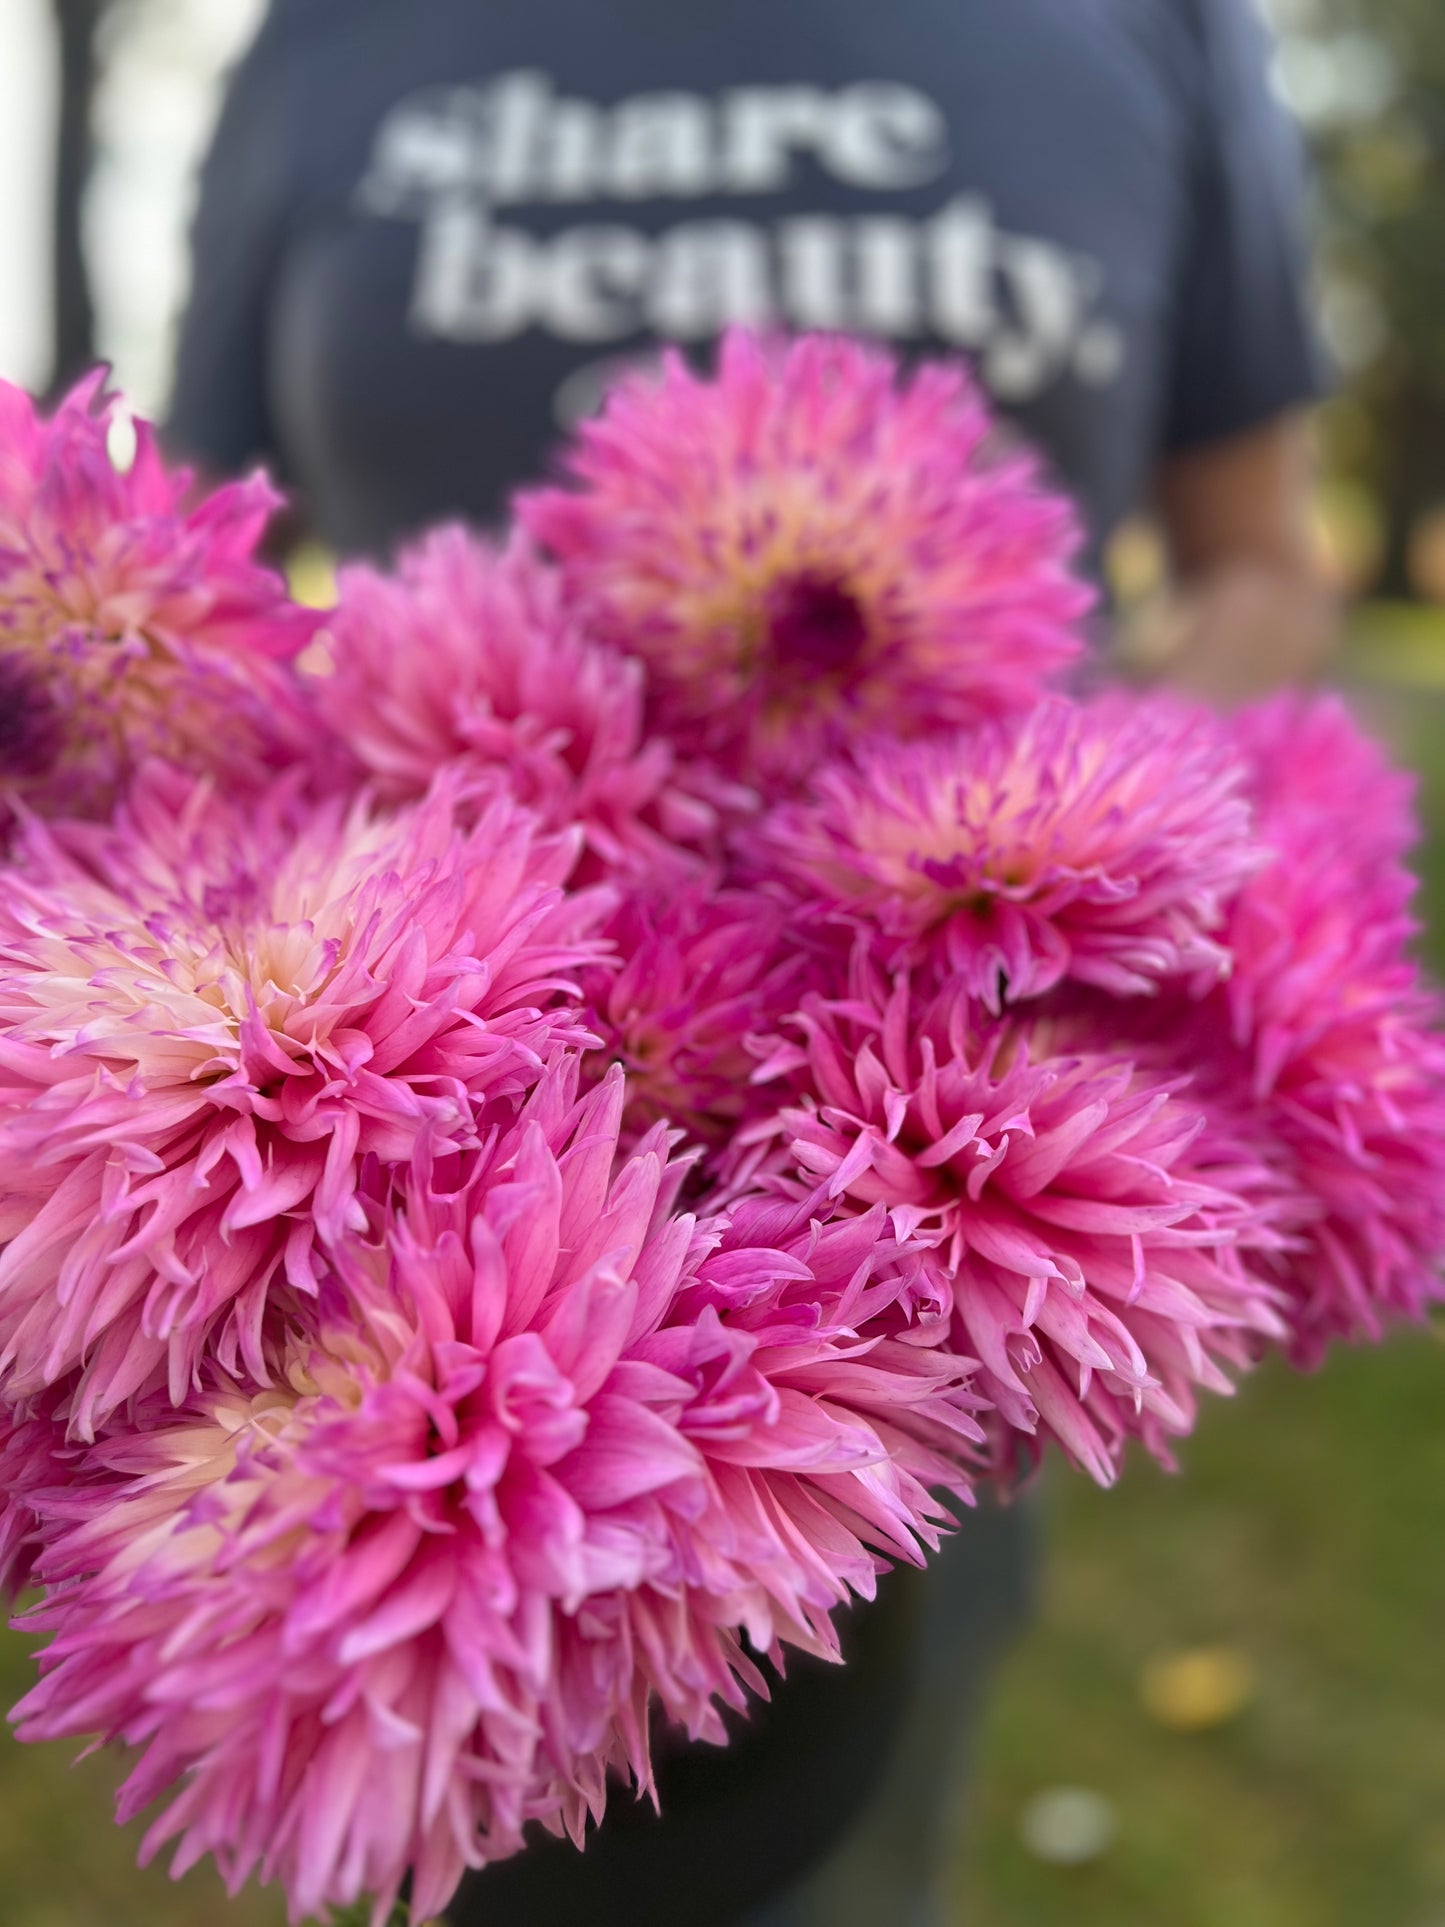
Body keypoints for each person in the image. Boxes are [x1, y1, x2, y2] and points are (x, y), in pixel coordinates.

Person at [165, 3, 1335, 1920]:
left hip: (923, 1232)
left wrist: (1110, 844)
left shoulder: (1155, 25)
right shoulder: (328, 39)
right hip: (366, 1194)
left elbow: (1264, 561)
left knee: (841, 1852)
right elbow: (186, 575)